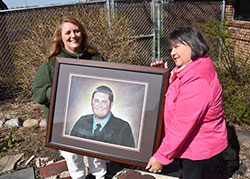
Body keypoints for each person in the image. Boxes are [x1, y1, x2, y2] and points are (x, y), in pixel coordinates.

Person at [146, 27, 229, 179]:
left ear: (192, 44)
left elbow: (183, 123)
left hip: (198, 151)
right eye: (171, 48)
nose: (172, 53)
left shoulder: (198, 79)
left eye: (177, 46)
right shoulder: (188, 69)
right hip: (186, 146)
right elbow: (177, 96)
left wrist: (161, 156)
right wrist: (164, 76)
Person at [31, 16, 107, 179]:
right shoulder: (52, 62)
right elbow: (37, 92)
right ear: (61, 37)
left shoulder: (95, 58)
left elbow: (110, 84)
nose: (73, 35)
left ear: (82, 33)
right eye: (68, 32)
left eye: (76, 31)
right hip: (65, 123)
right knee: (73, 159)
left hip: (94, 119)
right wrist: (58, 92)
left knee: (97, 157)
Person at [70, 85, 135, 148]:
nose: (99, 105)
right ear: (91, 103)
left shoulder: (123, 128)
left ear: (111, 105)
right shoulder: (82, 121)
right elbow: (69, 149)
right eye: (96, 101)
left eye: (104, 102)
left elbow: (128, 156)